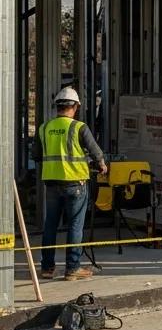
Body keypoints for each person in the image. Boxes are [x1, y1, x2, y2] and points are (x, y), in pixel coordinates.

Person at [32, 87, 107, 281]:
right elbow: (96, 153)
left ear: (58, 106)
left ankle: (47, 268)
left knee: (50, 225)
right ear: (75, 106)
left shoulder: (44, 128)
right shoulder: (79, 127)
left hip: (51, 183)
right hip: (76, 184)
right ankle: (72, 268)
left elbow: (36, 156)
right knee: (75, 225)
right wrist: (102, 166)